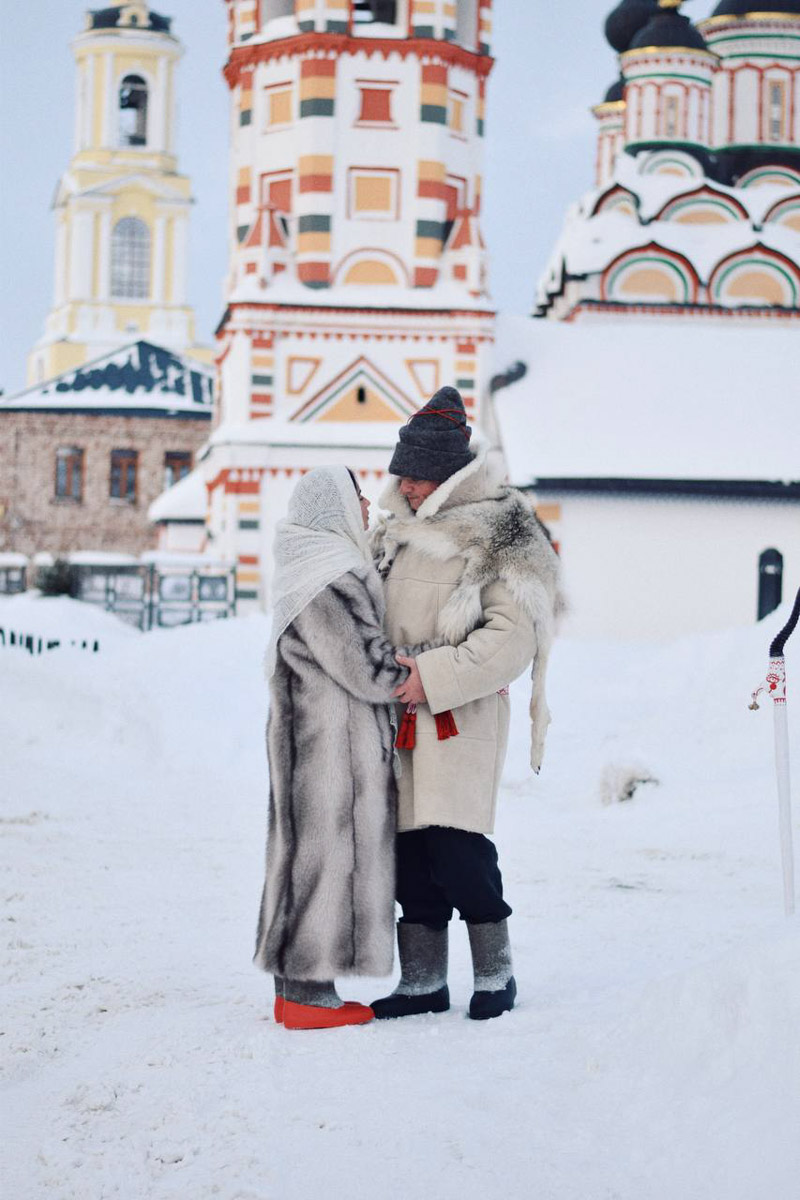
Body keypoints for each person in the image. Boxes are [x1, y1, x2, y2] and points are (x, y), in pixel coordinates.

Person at [369, 387, 563, 1021]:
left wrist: (434, 675)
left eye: (423, 477)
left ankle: (496, 973)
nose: (413, 487)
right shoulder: (392, 531)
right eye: (407, 474)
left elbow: (514, 634)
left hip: (458, 717)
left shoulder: (504, 528)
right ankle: (423, 982)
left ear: (453, 474)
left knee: (460, 853)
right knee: (407, 857)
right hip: (395, 718)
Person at [254, 466, 408, 1030]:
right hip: (328, 750)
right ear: (331, 507)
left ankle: (296, 988)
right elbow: (368, 668)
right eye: (356, 498)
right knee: (321, 857)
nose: (367, 507)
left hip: (315, 740)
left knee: (304, 854)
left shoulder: (313, 568)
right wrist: (428, 665)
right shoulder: (329, 577)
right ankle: (307, 994)